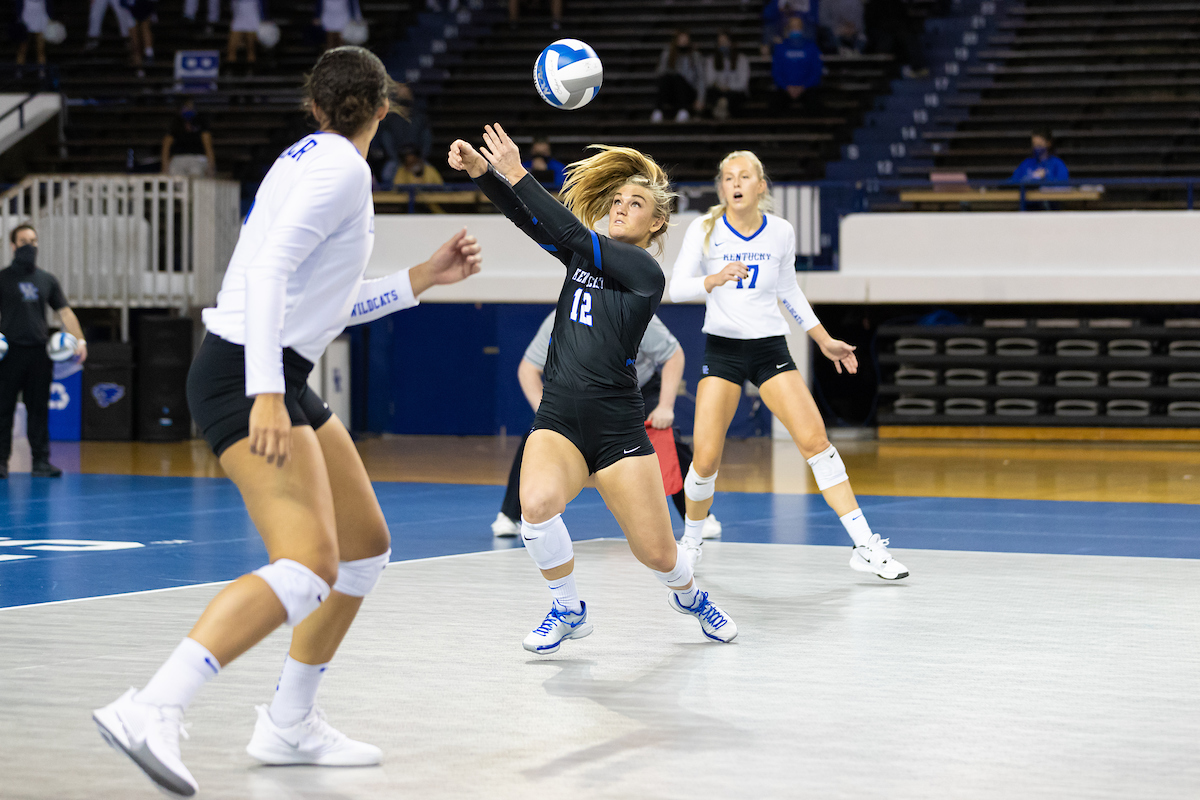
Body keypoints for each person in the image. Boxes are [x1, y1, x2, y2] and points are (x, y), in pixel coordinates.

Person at [93, 47, 483, 798]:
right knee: (307, 568)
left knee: (365, 547)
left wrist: (421, 280)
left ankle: (288, 723)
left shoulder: (313, 160)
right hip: (250, 370)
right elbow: (270, 274)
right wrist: (267, 391)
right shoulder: (339, 167)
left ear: (315, 105)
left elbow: (321, 303)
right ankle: (152, 708)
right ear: (385, 105)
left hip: (279, 366)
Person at [449, 124, 738, 652]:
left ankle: (690, 596)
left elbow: (570, 232)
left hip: (617, 427)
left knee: (658, 554)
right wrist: (485, 176)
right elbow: (533, 222)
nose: (622, 206)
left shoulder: (646, 272)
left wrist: (517, 173)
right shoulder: (584, 253)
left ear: (657, 223)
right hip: (559, 415)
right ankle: (567, 608)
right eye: (619, 199)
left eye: (637, 203)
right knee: (534, 505)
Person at [668, 150, 908, 580]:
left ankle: (865, 545)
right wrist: (715, 278)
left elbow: (789, 291)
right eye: (727, 177)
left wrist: (824, 339)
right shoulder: (704, 230)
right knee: (704, 460)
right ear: (720, 187)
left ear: (761, 186)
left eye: (744, 176)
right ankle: (691, 542)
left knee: (817, 443)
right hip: (722, 351)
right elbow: (677, 288)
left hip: (769, 350)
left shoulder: (779, 231)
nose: (735, 183)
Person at [492, 311, 722, 538]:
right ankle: (510, 514)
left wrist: (665, 406)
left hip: (635, 391)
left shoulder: (633, 311)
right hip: (579, 396)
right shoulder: (560, 317)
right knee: (536, 438)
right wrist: (544, 412)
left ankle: (698, 516)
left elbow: (674, 355)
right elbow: (528, 368)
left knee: (669, 440)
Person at [0, 224, 86, 479]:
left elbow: (65, 312)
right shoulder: (3, 278)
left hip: (39, 353)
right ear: (13, 245)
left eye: (34, 240)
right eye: (24, 241)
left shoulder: (46, 279)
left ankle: (41, 462)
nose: (30, 245)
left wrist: (80, 341)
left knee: (38, 409)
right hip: (9, 354)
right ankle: (1, 462)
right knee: (3, 408)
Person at [371, 84, 432, 189]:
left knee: (429, 173)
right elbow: (387, 140)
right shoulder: (390, 119)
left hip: (418, 157)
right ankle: (392, 203)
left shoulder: (420, 117)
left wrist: (420, 157)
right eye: (401, 95)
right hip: (397, 159)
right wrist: (397, 158)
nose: (404, 98)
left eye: (406, 94)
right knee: (388, 172)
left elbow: (426, 139)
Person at [771, 16, 822, 115]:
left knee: (815, 106)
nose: (795, 29)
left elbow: (816, 71)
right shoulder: (780, 48)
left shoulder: (811, 47)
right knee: (774, 106)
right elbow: (776, 71)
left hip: (807, 88)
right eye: (792, 26)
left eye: (797, 26)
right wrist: (787, 86)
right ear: (788, 29)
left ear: (802, 28)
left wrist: (803, 87)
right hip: (785, 89)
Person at [651, 30, 705, 123]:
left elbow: (701, 78)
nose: (683, 41)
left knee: (679, 78)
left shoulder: (695, 56)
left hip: (688, 91)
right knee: (668, 77)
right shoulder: (669, 53)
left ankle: (683, 110)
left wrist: (700, 99)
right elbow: (660, 72)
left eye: (685, 39)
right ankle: (658, 110)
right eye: (681, 39)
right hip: (672, 91)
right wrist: (667, 56)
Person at [161, 100, 216, 177]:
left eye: (190, 108)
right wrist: (165, 166)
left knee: (196, 172)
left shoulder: (200, 123)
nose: (188, 110)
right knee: (175, 175)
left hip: (197, 158)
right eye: (186, 107)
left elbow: (208, 146)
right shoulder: (176, 124)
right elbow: (166, 145)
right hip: (179, 158)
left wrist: (211, 167)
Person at [703, 32, 750, 121]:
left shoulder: (741, 59)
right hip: (718, 90)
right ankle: (723, 108)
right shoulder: (711, 60)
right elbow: (709, 80)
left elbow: (743, 83)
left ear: (731, 43)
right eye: (720, 43)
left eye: (725, 42)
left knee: (733, 96)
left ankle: (722, 108)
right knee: (711, 93)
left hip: (735, 91)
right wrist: (719, 85)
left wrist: (729, 87)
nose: (723, 45)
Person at [227, 0, 264, 73]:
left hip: (252, 18)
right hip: (239, 18)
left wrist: (262, 19)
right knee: (232, 47)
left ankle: (250, 71)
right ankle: (230, 70)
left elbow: (261, 5)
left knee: (251, 48)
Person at [14, 0, 50, 67]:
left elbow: (49, 7)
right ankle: (19, 70)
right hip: (25, 23)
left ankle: (42, 71)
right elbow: (18, 8)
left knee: (41, 49)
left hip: (41, 22)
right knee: (22, 48)